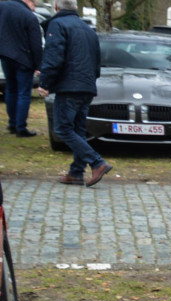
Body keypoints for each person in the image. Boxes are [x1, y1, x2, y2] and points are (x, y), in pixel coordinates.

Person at [38, 0, 111, 186]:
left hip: (69, 86)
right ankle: (76, 172)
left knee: (62, 128)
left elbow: (53, 56)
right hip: (86, 86)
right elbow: (97, 60)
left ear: (56, 6)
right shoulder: (88, 29)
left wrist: (45, 82)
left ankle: (96, 162)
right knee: (78, 130)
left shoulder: (58, 24)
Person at [0, 0, 44, 136]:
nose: (35, 8)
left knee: (11, 89)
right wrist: (39, 65)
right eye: (35, 5)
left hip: (5, 55)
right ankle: (21, 127)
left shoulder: (3, 6)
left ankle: (12, 124)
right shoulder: (29, 16)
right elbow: (36, 43)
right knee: (24, 93)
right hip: (23, 59)